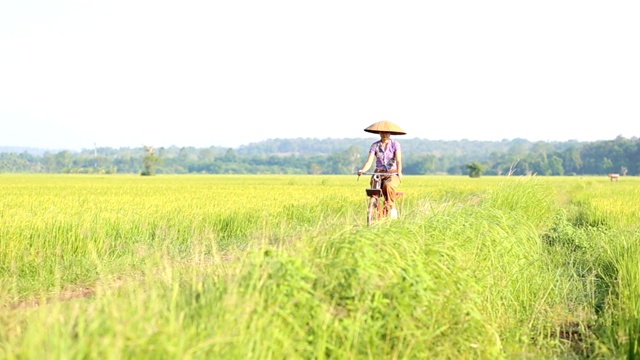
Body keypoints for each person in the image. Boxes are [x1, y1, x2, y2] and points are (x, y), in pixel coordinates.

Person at [357, 120, 406, 219]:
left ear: (390, 133)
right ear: (379, 133)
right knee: (374, 191)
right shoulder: (375, 145)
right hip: (378, 173)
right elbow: (369, 161)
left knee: (388, 186)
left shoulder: (395, 145)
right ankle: (373, 209)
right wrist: (362, 170)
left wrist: (399, 172)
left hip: (392, 173)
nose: (384, 135)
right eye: (382, 132)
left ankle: (392, 209)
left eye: (387, 132)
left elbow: (398, 160)